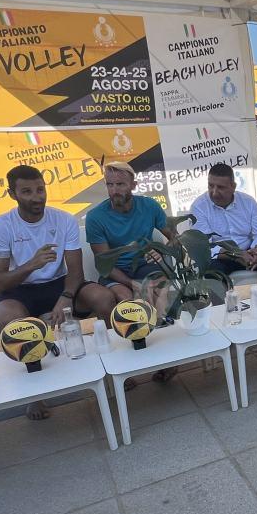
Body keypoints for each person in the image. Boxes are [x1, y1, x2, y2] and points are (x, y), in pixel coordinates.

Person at [0, 165, 117, 419]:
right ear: (12, 194)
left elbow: (76, 271)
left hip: (61, 284)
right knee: (9, 318)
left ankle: (113, 371)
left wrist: (65, 298)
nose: (37, 197)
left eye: (40, 189)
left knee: (103, 298)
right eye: (27, 191)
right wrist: (32, 265)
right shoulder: (1, 226)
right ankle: (37, 395)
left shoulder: (63, 219)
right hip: (20, 288)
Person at [86, 162, 179, 382]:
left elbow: (175, 239)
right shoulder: (96, 217)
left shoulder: (149, 206)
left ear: (133, 185)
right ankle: (122, 368)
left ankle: (167, 360)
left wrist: (161, 249)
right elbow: (104, 263)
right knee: (126, 300)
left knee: (159, 292)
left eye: (120, 184)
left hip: (144, 266)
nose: (114, 190)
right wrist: (131, 284)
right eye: (110, 185)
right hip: (115, 271)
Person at [190, 162, 257, 279]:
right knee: (212, 271)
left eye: (220, 187)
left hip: (249, 251)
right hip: (222, 257)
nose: (214, 192)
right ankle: (221, 298)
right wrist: (235, 255)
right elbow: (205, 247)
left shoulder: (248, 202)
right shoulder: (199, 207)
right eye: (211, 186)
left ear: (233, 187)